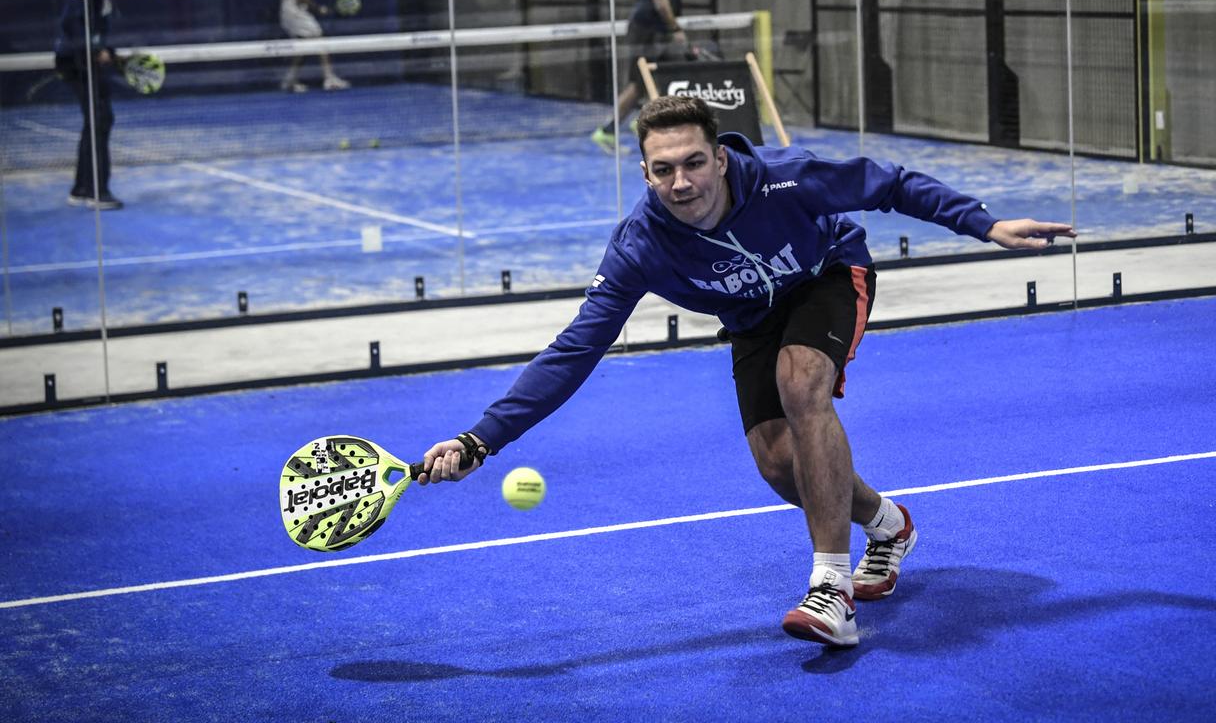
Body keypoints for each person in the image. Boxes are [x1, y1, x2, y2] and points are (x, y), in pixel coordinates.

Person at [421, 95, 1076, 649]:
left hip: (827, 275)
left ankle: (831, 591)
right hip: (750, 318)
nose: (682, 183)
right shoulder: (640, 245)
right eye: (663, 170)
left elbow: (891, 182)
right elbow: (575, 348)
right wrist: (481, 439)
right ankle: (887, 525)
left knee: (801, 384)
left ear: (721, 157)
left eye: (694, 163)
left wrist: (983, 223)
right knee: (779, 465)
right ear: (646, 175)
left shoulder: (788, 178)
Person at [592, 0, 688, 153]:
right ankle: (607, 130)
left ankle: (644, 122)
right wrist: (675, 27)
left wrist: (639, 3)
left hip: (646, 25)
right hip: (650, 29)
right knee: (638, 83)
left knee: (659, 78)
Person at [54, 0, 123, 210]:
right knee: (100, 119)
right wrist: (94, 50)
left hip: (85, 58)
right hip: (78, 62)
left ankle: (82, 188)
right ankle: (97, 191)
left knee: (97, 120)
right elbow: (74, 21)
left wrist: (104, 50)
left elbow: (93, 23)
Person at [271, 0, 349, 93]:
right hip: (296, 13)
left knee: (303, 47)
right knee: (319, 39)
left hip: (285, 12)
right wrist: (319, 9)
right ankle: (329, 79)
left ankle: (289, 81)